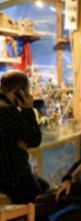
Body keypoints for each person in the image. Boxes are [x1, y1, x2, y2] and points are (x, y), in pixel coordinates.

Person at [0, 70, 44, 203]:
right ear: (20, 92)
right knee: (44, 202)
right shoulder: (7, 112)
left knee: (46, 187)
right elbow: (35, 139)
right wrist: (28, 109)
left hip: (7, 177)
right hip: (13, 179)